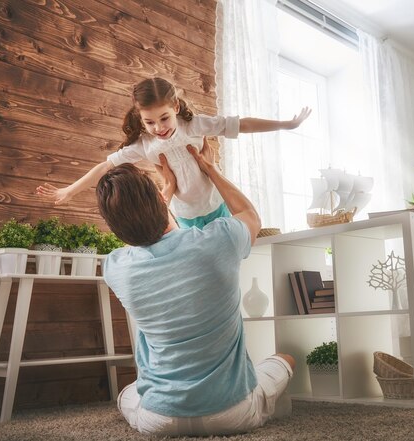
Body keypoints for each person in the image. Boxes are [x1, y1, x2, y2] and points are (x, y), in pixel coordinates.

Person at [95, 141, 296, 436]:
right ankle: (264, 403)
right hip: (232, 412)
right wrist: (209, 168)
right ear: (159, 202)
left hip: (159, 420)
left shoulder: (115, 268)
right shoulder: (217, 241)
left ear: (114, 226)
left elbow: (138, 238)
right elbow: (250, 215)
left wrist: (164, 193)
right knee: (285, 359)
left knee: (128, 393)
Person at [37, 77, 311, 228]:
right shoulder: (144, 145)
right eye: (150, 122)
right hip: (185, 217)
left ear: (176, 108)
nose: (159, 128)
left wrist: (286, 124)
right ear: (141, 119)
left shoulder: (195, 125)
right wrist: (69, 190)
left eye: (164, 118)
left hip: (217, 208)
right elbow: (105, 166)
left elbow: (241, 124)